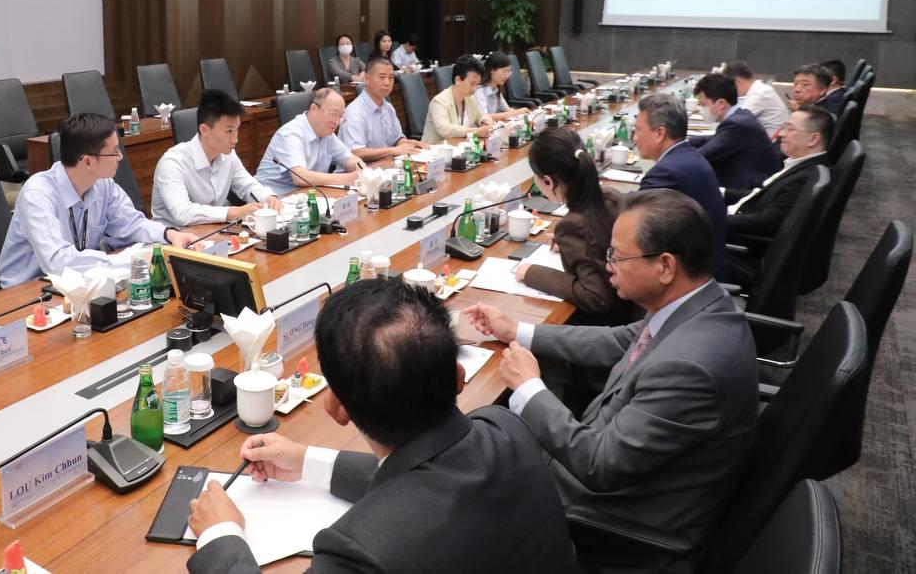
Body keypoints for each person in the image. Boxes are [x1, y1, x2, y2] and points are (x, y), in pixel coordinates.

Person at [186, 278, 579, 574]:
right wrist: (307, 460)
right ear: (458, 377)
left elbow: (415, 497)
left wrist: (221, 535)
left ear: (336, 406)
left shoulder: (359, 552)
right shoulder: (505, 426)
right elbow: (429, 477)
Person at [464, 189, 758, 569]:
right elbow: (621, 341)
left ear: (665, 266)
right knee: (485, 434)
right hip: (612, 464)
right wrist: (516, 331)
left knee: (465, 472)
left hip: (611, 523)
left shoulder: (690, 366)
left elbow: (599, 465)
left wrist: (529, 388)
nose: (608, 267)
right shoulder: (699, 305)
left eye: (617, 256)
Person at [0, 113, 196, 286]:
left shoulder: (103, 184)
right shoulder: (38, 194)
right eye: (114, 151)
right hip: (27, 291)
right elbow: (56, 261)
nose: (120, 157)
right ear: (88, 161)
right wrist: (128, 260)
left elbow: (132, 223)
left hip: (80, 281)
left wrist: (169, 234)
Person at [514, 128, 626, 322]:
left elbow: (597, 298)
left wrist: (533, 274)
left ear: (548, 181)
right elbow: (599, 239)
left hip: (607, 324)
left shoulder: (572, 225)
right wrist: (572, 246)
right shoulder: (611, 197)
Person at [151, 89, 283, 227]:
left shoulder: (228, 155)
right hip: (173, 236)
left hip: (211, 231)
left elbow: (248, 185)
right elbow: (182, 213)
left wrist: (268, 198)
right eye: (229, 131)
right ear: (204, 130)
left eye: (237, 129)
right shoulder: (172, 163)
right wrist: (233, 212)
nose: (235, 139)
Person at [632, 93, 727, 278]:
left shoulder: (666, 172)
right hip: (706, 266)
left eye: (638, 130)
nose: (634, 138)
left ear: (660, 133)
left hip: (691, 277)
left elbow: (633, 223)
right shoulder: (689, 156)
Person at [725, 105, 833, 241]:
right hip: (738, 214)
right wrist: (723, 192)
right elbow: (762, 196)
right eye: (784, 127)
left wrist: (713, 219)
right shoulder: (800, 164)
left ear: (813, 139)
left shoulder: (806, 178)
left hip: (734, 236)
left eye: (790, 129)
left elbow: (767, 223)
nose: (781, 134)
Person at [256, 88, 365, 191]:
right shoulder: (290, 134)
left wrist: (363, 170)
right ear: (314, 109)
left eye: (340, 117)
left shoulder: (327, 133)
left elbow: (348, 158)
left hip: (306, 193)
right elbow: (299, 177)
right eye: (333, 114)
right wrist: (347, 178)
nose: (336, 122)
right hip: (273, 196)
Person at [688, 73, 781, 190]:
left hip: (750, 190)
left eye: (703, 105)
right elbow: (715, 139)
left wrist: (674, 150)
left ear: (721, 104)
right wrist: (686, 142)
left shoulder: (737, 125)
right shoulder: (740, 116)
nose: (700, 109)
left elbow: (702, 155)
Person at [338, 55, 428, 162]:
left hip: (387, 165)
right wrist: (393, 151)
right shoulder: (354, 113)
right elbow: (355, 152)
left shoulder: (388, 108)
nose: (387, 83)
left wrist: (411, 143)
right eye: (381, 77)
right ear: (367, 79)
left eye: (391, 78)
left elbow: (397, 140)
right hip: (362, 170)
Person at [421, 54, 496, 144]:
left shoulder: (470, 98)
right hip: (434, 150)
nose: (475, 88)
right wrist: (477, 131)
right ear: (458, 80)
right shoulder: (439, 101)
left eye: (477, 84)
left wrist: (486, 122)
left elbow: (481, 115)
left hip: (460, 147)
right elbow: (445, 130)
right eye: (472, 84)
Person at [722, 60, 787, 138]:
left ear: (737, 81)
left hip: (772, 142)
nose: (729, 91)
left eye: (729, 86)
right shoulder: (758, 90)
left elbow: (735, 120)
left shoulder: (760, 93)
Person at [473, 52, 528, 123]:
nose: (507, 76)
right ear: (492, 70)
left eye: (509, 72)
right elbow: (484, 116)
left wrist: (522, 115)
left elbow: (506, 109)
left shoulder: (496, 89)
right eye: (504, 72)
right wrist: (516, 112)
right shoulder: (479, 90)